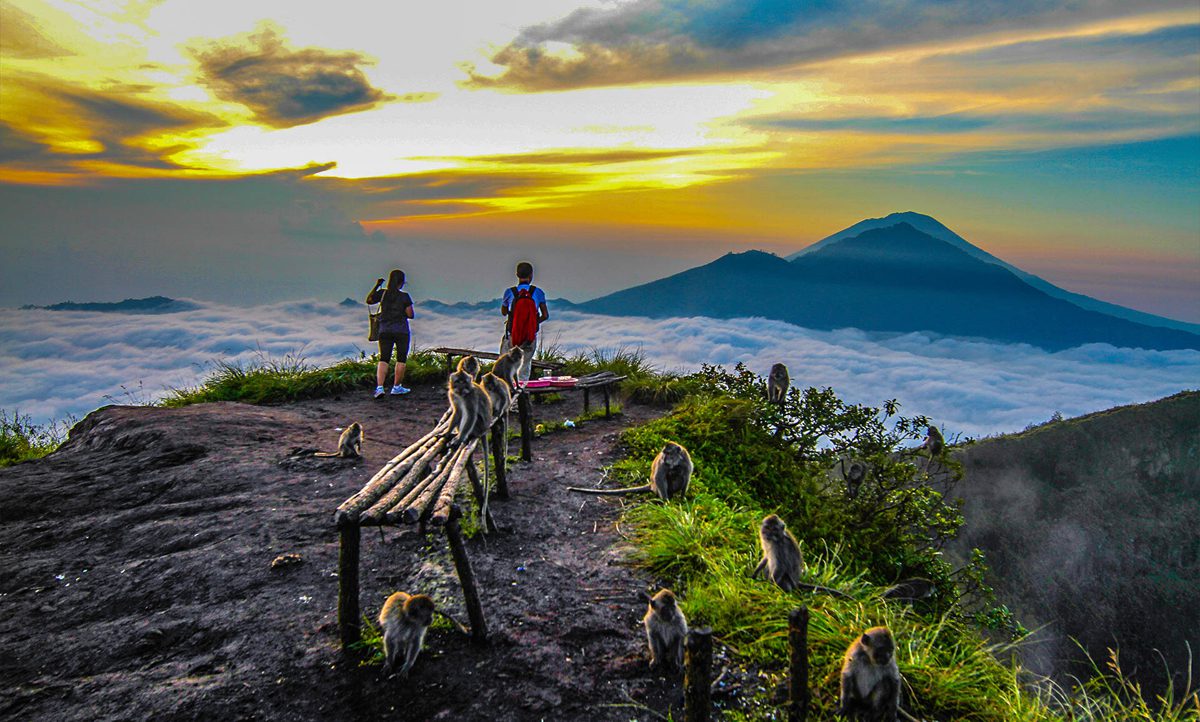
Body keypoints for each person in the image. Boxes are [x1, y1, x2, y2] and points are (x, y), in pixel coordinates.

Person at [366, 269, 414, 398]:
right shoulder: (404, 296)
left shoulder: (383, 294)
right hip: (401, 330)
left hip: (384, 330)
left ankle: (380, 387)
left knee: (384, 358)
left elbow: (369, 300)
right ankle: (396, 387)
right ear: (402, 282)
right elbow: (410, 314)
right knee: (401, 359)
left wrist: (377, 285)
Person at [500, 261, 549, 385]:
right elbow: (545, 315)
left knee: (506, 368)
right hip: (529, 337)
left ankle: (508, 397)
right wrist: (532, 323)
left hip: (512, 336)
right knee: (524, 369)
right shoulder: (538, 292)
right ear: (531, 275)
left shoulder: (509, 292)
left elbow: (504, 312)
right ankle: (521, 398)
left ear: (517, 274)